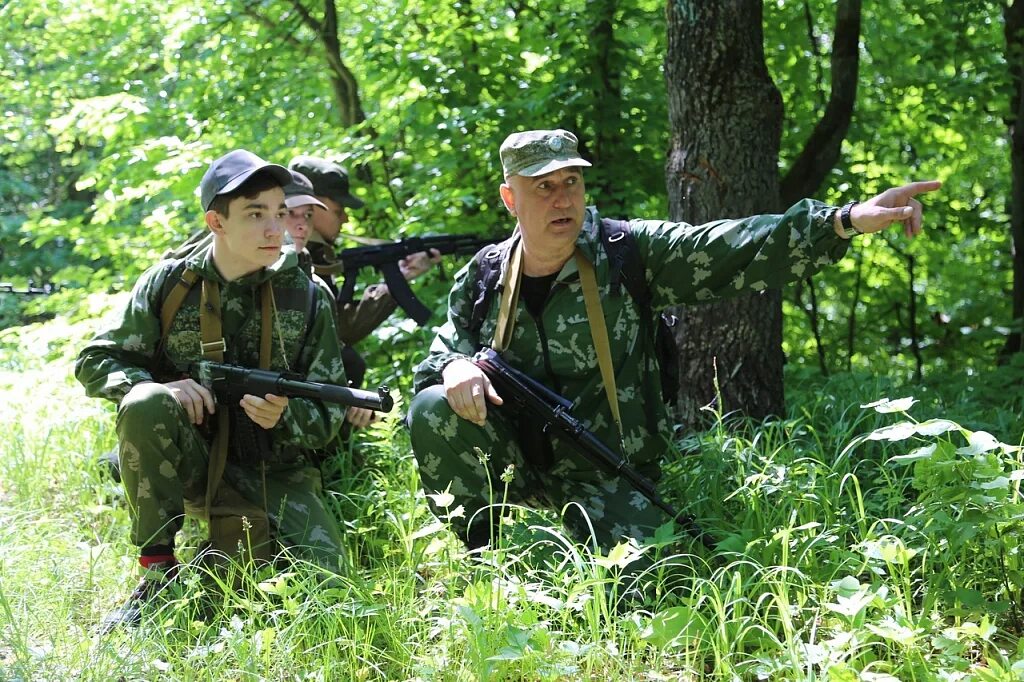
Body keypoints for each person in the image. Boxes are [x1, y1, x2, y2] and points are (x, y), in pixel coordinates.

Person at [407, 128, 941, 552]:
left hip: (609, 470)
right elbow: (438, 356)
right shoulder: (486, 275)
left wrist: (843, 220)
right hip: (517, 461)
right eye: (543, 186)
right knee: (432, 407)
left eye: (571, 181)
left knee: (644, 591)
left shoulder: (626, 251)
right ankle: (485, 555)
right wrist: (456, 368)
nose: (561, 197)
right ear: (510, 198)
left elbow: (733, 245)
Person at [75, 149, 350, 630]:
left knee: (327, 592)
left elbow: (329, 413)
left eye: (279, 213)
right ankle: (158, 572)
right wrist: (164, 389)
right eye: (255, 214)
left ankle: (219, 556)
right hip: (188, 459)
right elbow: (96, 359)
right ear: (216, 222)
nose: (274, 229)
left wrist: (285, 416)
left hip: (273, 467)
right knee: (145, 401)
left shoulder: (307, 295)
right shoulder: (171, 283)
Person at [288, 155, 440, 428]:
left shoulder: (315, 254)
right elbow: (341, 330)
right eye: (337, 209)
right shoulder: (291, 254)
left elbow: (336, 323)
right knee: (348, 361)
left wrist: (403, 275)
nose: (346, 217)